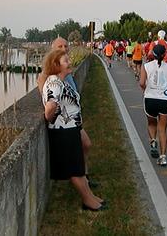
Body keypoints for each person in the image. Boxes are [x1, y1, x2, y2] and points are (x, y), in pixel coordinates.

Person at [41, 49, 106, 211]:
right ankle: (88, 201)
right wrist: (52, 120)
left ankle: (90, 196)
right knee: (74, 169)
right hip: (63, 131)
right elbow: (50, 107)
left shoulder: (60, 81)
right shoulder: (54, 83)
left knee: (77, 167)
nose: (70, 63)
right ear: (56, 65)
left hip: (70, 129)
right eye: (66, 61)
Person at [37, 37, 97, 188]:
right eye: (59, 46)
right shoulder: (47, 74)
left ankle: (83, 176)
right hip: (64, 121)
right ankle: (81, 178)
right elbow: (48, 99)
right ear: (52, 50)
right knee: (83, 145)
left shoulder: (65, 70)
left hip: (73, 118)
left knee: (86, 145)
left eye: (65, 46)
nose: (64, 48)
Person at [139, 44, 167, 166]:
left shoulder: (146, 66)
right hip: (165, 100)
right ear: (165, 55)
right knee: (163, 129)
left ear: (153, 54)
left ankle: (153, 140)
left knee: (151, 123)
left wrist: (147, 89)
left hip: (150, 98)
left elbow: (141, 83)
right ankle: (163, 156)